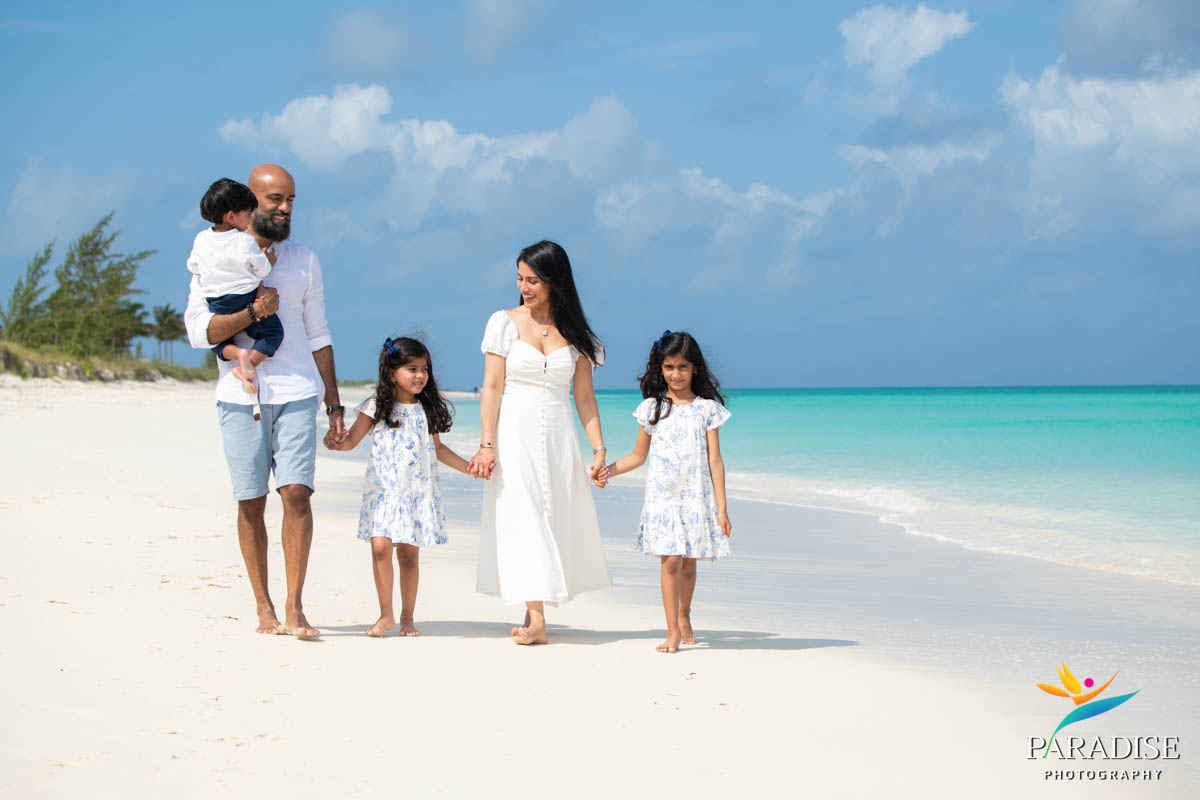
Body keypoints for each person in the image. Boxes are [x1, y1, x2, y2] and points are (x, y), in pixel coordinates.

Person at [184, 163, 346, 640]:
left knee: (296, 493)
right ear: (248, 204)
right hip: (239, 396)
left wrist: (334, 404)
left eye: (291, 199)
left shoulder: (304, 259)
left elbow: (319, 334)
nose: (285, 208)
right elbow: (200, 333)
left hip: (298, 391)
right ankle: (264, 605)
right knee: (250, 502)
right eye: (276, 199)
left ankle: (295, 607)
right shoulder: (213, 258)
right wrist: (253, 311)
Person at [468, 240, 611, 645]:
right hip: (514, 430)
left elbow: (583, 397)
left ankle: (538, 609)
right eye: (520, 278)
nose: (525, 286)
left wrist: (599, 448)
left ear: (555, 280)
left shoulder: (580, 336)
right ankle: (536, 618)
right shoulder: (504, 322)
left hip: (560, 434)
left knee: (553, 515)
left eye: (534, 279)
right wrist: (487, 444)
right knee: (525, 514)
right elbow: (492, 388)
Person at [331, 336, 471, 637]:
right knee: (380, 547)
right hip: (383, 491)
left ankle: (408, 617)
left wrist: (469, 468)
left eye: (424, 369)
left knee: (408, 554)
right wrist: (336, 443)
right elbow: (352, 440)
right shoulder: (375, 407)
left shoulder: (426, 409)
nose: (420, 375)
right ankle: (386, 615)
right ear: (392, 372)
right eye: (412, 368)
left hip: (415, 492)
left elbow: (438, 450)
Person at [603, 331, 732, 653]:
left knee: (689, 563)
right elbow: (637, 456)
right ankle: (672, 630)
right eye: (669, 367)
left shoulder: (707, 410)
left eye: (683, 367)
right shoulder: (652, 408)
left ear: (695, 369)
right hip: (664, 498)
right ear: (660, 368)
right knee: (671, 560)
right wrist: (608, 471)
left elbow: (715, 460)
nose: (676, 374)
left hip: (695, 497)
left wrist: (722, 508)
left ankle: (684, 613)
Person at [187, 178, 282, 405]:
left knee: (218, 341)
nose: (250, 220)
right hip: (243, 298)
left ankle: (237, 354)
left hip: (216, 302)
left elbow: (193, 266)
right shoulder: (244, 241)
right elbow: (261, 268)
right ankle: (247, 363)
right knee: (272, 333)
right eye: (248, 215)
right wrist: (269, 260)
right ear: (231, 216)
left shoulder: (201, 239)